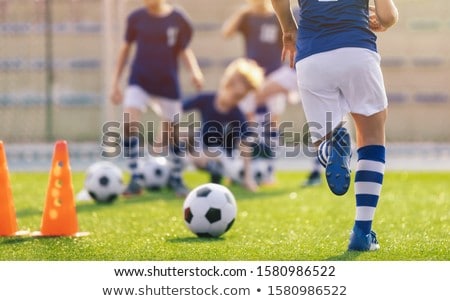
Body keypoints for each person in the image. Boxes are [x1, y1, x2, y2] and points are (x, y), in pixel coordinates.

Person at [270, 0, 398, 251]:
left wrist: (288, 28)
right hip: (357, 50)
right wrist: (383, 21)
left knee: (324, 138)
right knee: (371, 138)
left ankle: (331, 148)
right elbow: (387, 15)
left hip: (312, 55)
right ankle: (362, 232)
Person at [110, 0, 204, 197]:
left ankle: (176, 178)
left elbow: (184, 49)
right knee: (129, 121)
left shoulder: (178, 19)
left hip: (167, 82)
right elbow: (125, 49)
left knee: (176, 131)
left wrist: (194, 71)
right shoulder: (136, 19)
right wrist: (115, 82)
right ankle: (135, 177)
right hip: (140, 79)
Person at [222, 0, 299, 185]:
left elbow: (289, 38)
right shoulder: (247, 16)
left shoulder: (276, 16)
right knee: (249, 125)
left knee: (271, 125)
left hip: (274, 75)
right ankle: (244, 168)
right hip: (251, 80)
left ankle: (269, 172)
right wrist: (241, 12)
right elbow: (226, 32)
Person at [182, 58, 265, 192]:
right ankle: (173, 176)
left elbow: (244, 146)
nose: (237, 100)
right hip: (201, 146)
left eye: (241, 98)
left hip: (224, 156)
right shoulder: (206, 99)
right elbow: (176, 108)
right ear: (228, 84)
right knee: (182, 134)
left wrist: (248, 179)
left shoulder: (237, 113)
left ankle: (218, 173)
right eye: (237, 96)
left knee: (207, 155)